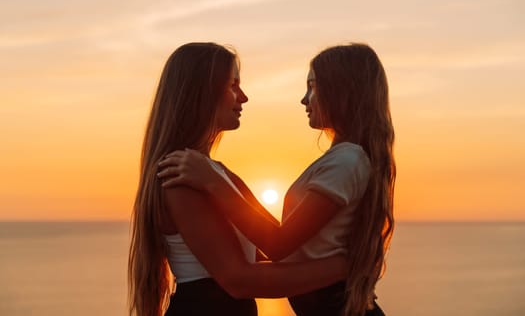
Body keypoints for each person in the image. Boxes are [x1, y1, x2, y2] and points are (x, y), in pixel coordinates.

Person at [158, 43, 396, 316]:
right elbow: (251, 267)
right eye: (233, 85)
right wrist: (345, 265)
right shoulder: (188, 173)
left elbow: (272, 245)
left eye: (313, 87)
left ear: (341, 92)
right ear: (201, 92)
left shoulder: (214, 174)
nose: (244, 97)